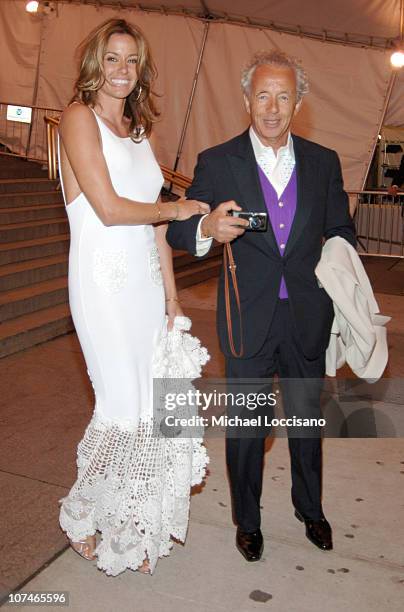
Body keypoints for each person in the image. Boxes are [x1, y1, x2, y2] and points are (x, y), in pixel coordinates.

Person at [167, 50, 356, 562]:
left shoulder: (322, 163)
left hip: (306, 318)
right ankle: (246, 521)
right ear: (247, 98)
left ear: (299, 102)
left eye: (284, 96)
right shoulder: (217, 161)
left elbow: (341, 230)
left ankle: (310, 509)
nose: (272, 107)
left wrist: (341, 264)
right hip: (247, 320)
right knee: (247, 430)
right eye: (263, 95)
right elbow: (181, 229)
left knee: (305, 424)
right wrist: (207, 227)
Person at [57, 18, 209, 576]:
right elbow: (110, 208)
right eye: (113, 59)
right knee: (121, 408)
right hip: (102, 285)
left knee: (150, 409)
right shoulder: (78, 118)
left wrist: (171, 297)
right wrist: (178, 206)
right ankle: (81, 513)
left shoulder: (141, 133)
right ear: (96, 63)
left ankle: (130, 524)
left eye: (132, 61)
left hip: (146, 287)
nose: (123, 71)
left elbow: (153, 229)